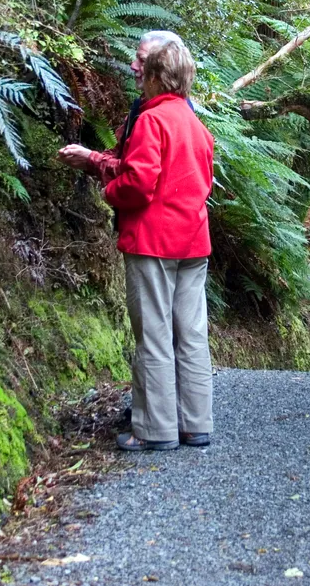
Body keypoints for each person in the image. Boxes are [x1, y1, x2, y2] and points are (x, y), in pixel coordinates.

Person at [58, 31, 214, 451]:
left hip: (153, 242)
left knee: (155, 336)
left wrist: (108, 193)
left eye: (142, 68)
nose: (137, 72)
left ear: (156, 77)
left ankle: (155, 429)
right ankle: (195, 423)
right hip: (194, 243)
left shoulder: (151, 120)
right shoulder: (197, 127)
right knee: (192, 335)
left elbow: (139, 183)